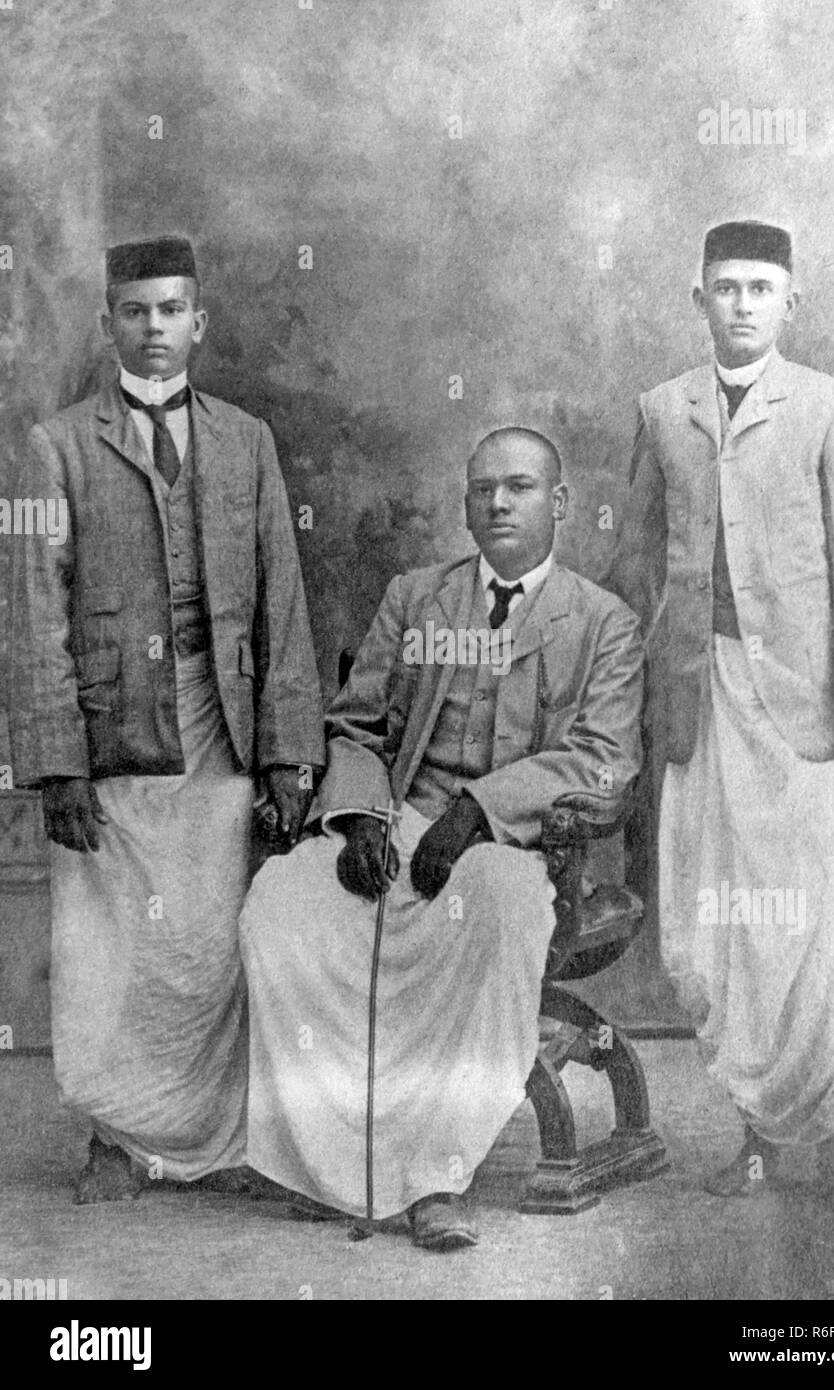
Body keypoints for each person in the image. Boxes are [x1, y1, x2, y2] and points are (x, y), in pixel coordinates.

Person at [239, 426, 644, 1249]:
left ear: (559, 503)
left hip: (516, 846)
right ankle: (334, 1163)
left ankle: (433, 1176)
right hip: (400, 819)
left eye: (521, 487)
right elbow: (355, 728)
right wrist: (358, 820)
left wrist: (478, 813)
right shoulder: (417, 597)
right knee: (277, 903)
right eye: (483, 488)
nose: (499, 502)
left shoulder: (604, 623)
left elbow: (604, 761)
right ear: (464, 504)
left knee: (489, 909)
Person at [10, 235, 324, 1201]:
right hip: (113, 733)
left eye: (171, 310)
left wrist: (286, 754)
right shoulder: (56, 445)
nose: (155, 329)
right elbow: (33, 611)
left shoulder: (246, 440)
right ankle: (115, 1137)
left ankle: (216, 1137)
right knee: (110, 942)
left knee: (208, 936)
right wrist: (57, 764)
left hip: (219, 720)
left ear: (200, 321)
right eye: (136, 312)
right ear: (110, 325)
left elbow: (283, 602)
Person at [605, 220, 834, 1198]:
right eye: (723, 288)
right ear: (695, 299)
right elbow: (634, 565)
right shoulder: (662, 411)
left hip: (814, 713)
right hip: (703, 700)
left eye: (758, 289)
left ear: (790, 303)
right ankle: (753, 1133)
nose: (740, 305)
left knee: (820, 929)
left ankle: (826, 1132)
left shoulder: (832, 411)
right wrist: (616, 693)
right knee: (716, 931)